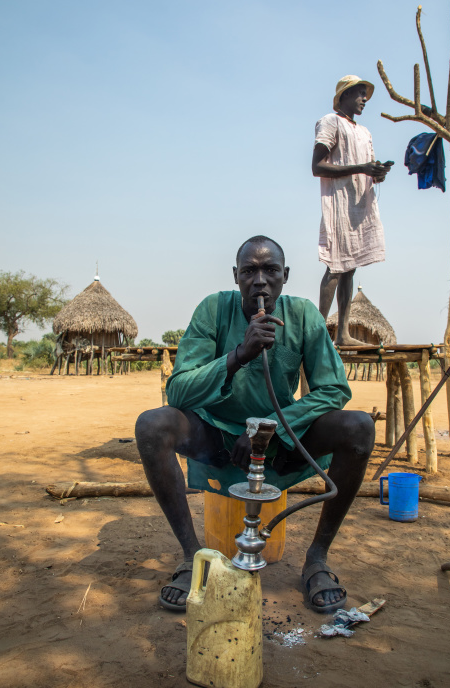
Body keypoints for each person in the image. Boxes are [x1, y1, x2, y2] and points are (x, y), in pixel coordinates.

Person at [135, 235, 375, 613]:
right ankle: (191, 557)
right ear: (236, 276)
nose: (259, 280)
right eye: (249, 271)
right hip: (217, 436)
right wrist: (238, 355)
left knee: (359, 426)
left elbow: (334, 388)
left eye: (270, 270)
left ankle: (317, 559)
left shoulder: (305, 314)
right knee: (152, 424)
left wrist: (270, 426)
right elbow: (178, 389)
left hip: (282, 437)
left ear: (285, 276)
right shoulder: (213, 309)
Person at [313, 75, 392, 343]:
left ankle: (343, 333)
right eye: (359, 94)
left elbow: (367, 167)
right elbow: (317, 166)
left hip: (359, 204)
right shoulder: (330, 122)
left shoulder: (364, 132)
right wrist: (360, 168)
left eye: (365, 95)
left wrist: (377, 173)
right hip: (338, 204)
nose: (364, 99)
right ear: (344, 95)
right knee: (336, 266)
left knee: (350, 267)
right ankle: (316, 331)